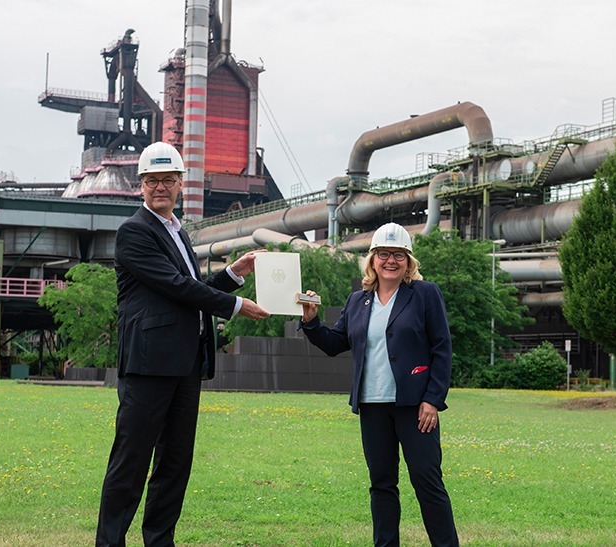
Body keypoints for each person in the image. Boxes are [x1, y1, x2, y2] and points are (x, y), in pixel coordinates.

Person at [96, 142, 270, 547]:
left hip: (185, 366)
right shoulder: (134, 232)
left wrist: (232, 274)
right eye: (152, 180)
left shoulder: (178, 232)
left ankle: (160, 540)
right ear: (141, 185)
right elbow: (176, 287)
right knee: (131, 463)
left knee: (175, 464)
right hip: (148, 366)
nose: (160, 187)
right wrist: (236, 305)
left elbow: (191, 290)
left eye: (168, 180)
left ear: (180, 185)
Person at [299, 222, 459, 547]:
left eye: (398, 254)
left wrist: (432, 399)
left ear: (408, 261)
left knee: (428, 481)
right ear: (372, 259)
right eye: (384, 254)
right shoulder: (359, 300)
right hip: (372, 406)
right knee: (382, 484)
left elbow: (441, 347)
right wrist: (311, 320)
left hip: (415, 408)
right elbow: (335, 343)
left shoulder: (425, 294)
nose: (391, 260)